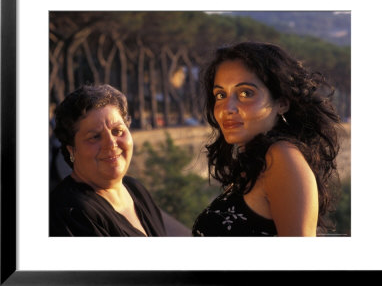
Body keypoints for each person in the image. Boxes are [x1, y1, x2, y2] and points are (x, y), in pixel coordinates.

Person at [192, 42, 341, 237]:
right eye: (220, 95)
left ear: (282, 103)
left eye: (246, 93)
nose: (227, 108)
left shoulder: (281, 157)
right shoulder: (257, 164)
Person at [50, 84, 166, 236]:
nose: (111, 143)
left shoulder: (136, 190)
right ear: (71, 149)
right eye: (95, 137)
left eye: (117, 131)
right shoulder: (69, 214)